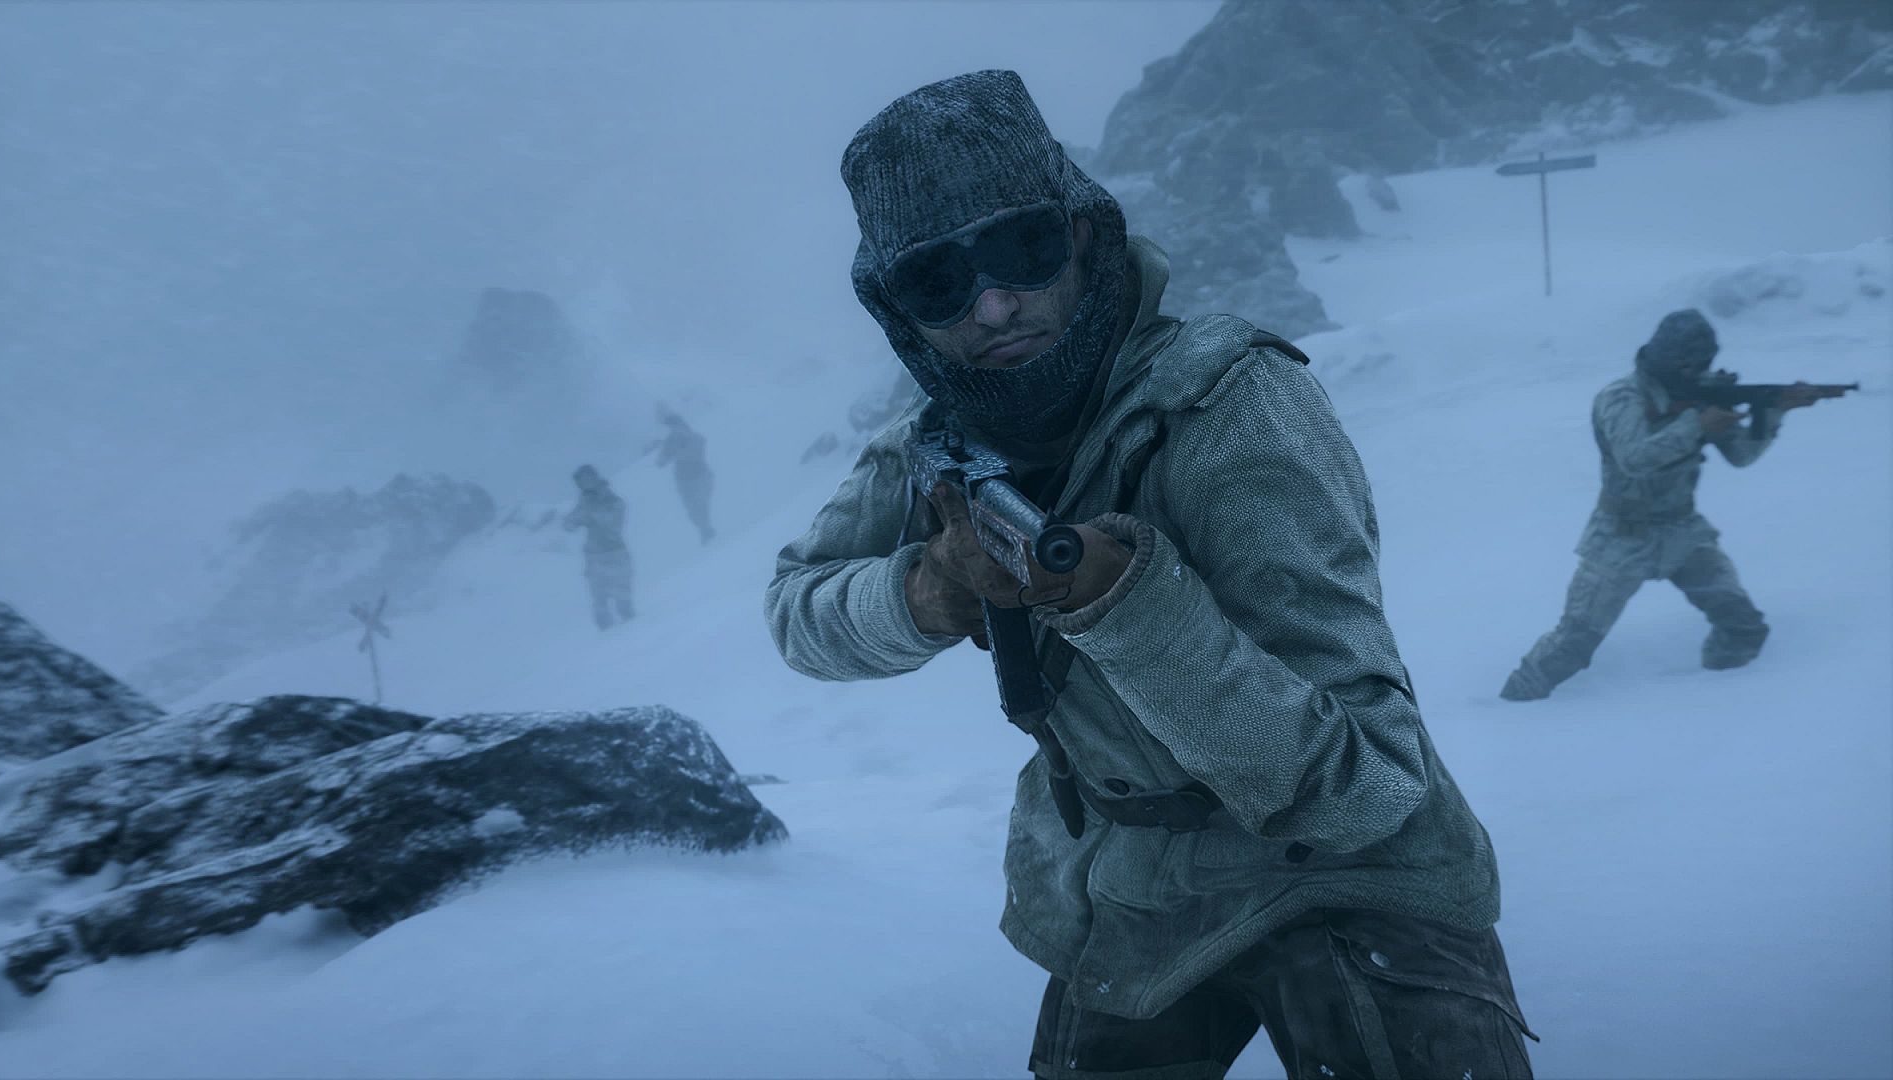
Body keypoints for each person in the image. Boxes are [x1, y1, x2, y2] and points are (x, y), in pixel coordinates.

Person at [764, 71, 1532, 1078]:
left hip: (1345, 880)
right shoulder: (945, 439)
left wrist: (1123, 605)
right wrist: (929, 593)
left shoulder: (1228, 405)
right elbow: (797, 611)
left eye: (1022, 249)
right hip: (1136, 889)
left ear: (1081, 234)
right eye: (937, 282)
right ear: (898, 310)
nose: (993, 305)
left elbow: (1363, 785)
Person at [1500, 309, 1829, 701]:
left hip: (1683, 532)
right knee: (1572, 644)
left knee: (1743, 626)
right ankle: (1512, 709)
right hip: (1622, 536)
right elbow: (1634, 458)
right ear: (1666, 357)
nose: (1695, 371)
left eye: (1701, 363)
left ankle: (1726, 699)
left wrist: (1772, 411)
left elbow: (1742, 455)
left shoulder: (1700, 394)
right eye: (1687, 363)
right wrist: (1697, 425)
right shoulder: (1622, 397)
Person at [562, 464, 633, 628]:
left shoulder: (613, 499)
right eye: (581, 481)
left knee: (623, 601)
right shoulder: (584, 501)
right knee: (600, 602)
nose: (585, 483)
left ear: (595, 478)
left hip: (616, 553)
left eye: (588, 478)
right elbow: (570, 522)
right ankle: (606, 640)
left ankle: (638, 635)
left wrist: (591, 516)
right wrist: (573, 521)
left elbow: (615, 525)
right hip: (594, 556)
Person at [650, 407, 717, 545]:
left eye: (674, 425)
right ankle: (705, 530)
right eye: (671, 426)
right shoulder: (674, 440)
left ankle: (706, 532)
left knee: (699, 505)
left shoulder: (688, 437)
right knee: (696, 508)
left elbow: (697, 449)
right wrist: (669, 453)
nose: (674, 428)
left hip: (696, 476)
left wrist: (676, 452)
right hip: (690, 478)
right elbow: (661, 462)